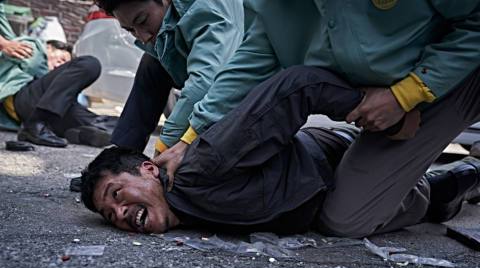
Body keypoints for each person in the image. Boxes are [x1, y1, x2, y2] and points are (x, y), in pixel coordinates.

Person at [152, 0, 480, 237]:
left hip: (457, 78)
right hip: (384, 105)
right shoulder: (275, 8)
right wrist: (186, 140)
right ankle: (444, 189)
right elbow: (244, 72)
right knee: (344, 219)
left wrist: (405, 95)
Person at [80, 67, 480, 236]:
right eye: (107, 213)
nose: (118, 213)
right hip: (311, 194)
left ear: (150, 170)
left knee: (360, 217)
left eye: (116, 195)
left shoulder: (204, 164)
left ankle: (455, 178)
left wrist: (384, 114)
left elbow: (295, 88)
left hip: (331, 166)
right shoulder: (179, 204)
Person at [94, 0, 244, 154]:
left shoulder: (208, 8)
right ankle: (122, 155)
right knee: (151, 62)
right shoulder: (171, 16)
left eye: (142, 20)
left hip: (254, 87)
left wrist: (165, 144)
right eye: (131, 30)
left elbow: (205, 82)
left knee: (195, 166)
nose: (143, 37)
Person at [0, 2, 111, 148]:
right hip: (23, 99)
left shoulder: (55, 87)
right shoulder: (34, 49)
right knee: (90, 64)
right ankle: (36, 126)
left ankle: (78, 132)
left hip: (41, 111)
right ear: (49, 47)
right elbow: (27, 60)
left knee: (106, 124)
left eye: (65, 63)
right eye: (62, 59)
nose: (61, 65)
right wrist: (4, 44)